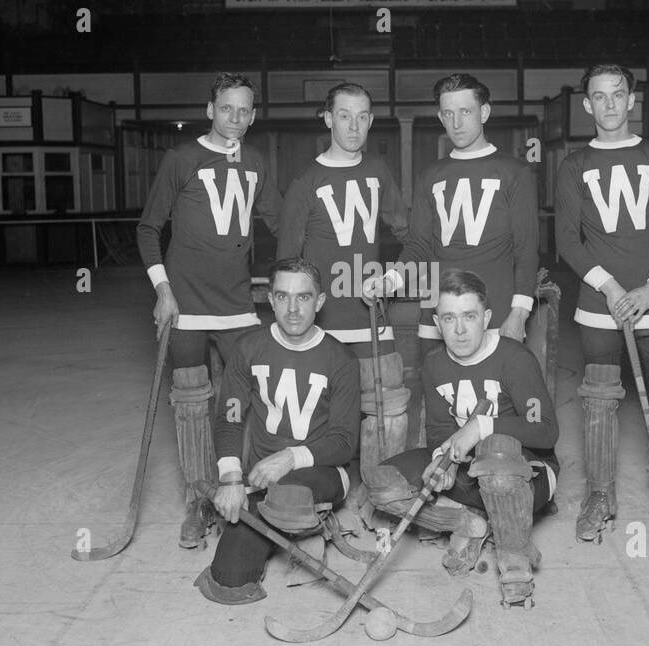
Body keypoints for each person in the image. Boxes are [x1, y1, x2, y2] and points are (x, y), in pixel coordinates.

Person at [554, 62, 649, 542]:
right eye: (599, 96)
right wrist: (613, 289)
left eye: (618, 94)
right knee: (599, 400)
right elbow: (567, 240)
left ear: (632, 99)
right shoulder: (574, 164)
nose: (610, 104)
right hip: (600, 303)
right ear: (587, 105)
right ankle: (601, 495)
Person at [136, 71, 281, 549]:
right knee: (192, 404)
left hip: (238, 307)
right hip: (187, 308)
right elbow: (147, 228)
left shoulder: (257, 162)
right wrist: (163, 290)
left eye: (244, 110)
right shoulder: (181, 159)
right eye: (226, 109)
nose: (235, 119)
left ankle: (239, 490)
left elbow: (281, 222)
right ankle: (199, 500)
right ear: (209, 110)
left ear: (254, 115)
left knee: (241, 401)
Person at [364, 269, 558, 607]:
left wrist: (481, 428)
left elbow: (545, 430)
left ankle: (513, 559)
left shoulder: (515, 358)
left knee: (496, 455)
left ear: (485, 318)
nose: (459, 329)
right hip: (469, 472)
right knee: (383, 483)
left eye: (469, 316)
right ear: (437, 323)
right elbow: (439, 430)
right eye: (449, 318)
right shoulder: (435, 363)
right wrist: (444, 459)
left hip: (526, 473)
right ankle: (472, 522)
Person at [194, 257, 360, 604]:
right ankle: (282, 523)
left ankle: (294, 518)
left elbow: (345, 442)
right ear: (270, 300)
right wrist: (229, 479)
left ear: (320, 301)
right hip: (261, 479)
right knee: (229, 580)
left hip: (324, 471)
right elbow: (230, 418)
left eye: (303, 297)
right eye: (283, 296)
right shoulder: (248, 349)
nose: (293, 308)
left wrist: (288, 458)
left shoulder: (340, 359)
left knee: (287, 495)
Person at [276, 83, 411, 505]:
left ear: (371, 120)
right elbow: (287, 264)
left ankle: (383, 497)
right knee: (318, 412)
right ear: (328, 118)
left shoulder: (378, 172)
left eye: (363, 116)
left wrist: (393, 276)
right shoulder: (305, 181)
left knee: (388, 407)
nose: (355, 125)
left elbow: (410, 236)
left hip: (370, 313)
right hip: (324, 321)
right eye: (345, 115)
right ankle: (317, 494)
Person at [363, 73, 539, 350]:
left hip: (495, 312)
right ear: (440, 116)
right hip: (437, 313)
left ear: (484, 112)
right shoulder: (430, 175)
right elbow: (419, 246)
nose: (456, 123)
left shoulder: (515, 172)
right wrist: (389, 281)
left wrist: (519, 312)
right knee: (438, 391)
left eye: (465, 111)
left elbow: (526, 251)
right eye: (448, 113)